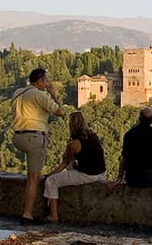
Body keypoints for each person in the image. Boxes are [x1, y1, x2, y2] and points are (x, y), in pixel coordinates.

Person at [11, 68, 64, 224]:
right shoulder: (40, 95)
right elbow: (60, 112)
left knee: (31, 176)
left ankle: (28, 212)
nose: (47, 84)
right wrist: (54, 94)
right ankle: (27, 215)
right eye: (46, 81)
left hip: (17, 136)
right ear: (40, 81)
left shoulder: (18, 93)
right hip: (34, 137)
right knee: (33, 178)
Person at [43, 111, 106, 223]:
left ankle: (53, 216)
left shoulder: (74, 143)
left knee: (51, 181)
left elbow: (65, 162)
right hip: (101, 173)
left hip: (88, 175)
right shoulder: (93, 135)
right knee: (71, 168)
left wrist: (51, 175)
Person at [113, 106, 152, 194]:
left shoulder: (128, 134)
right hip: (149, 178)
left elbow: (123, 158)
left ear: (140, 117)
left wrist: (119, 178)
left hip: (131, 179)